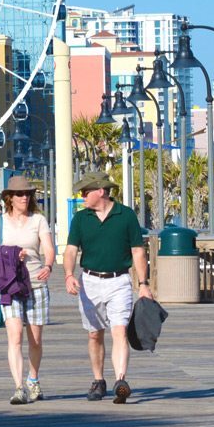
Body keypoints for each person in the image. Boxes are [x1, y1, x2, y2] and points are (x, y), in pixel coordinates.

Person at [63, 170, 151, 405]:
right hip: (90, 281)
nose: (82, 196)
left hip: (119, 281)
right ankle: (98, 380)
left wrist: (143, 284)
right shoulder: (81, 219)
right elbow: (71, 250)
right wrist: (69, 275)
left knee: (119, 330)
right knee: (94, 334)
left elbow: (138, 251)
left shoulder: (126, 216)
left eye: (85, 192)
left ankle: (121, 381)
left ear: (100, 191)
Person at [0, 175, 55, 405]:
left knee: (35, 340)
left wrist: (48, 265)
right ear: (9, 198)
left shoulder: (38, 220)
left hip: (36, 283)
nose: (24, 197)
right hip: (10, 285)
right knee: (14, 336)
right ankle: (19, 387)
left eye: (27, 194)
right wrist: (10, 254)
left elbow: (48, 248)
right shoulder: (0, 222)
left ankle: (33, 379)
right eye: (19, 194)